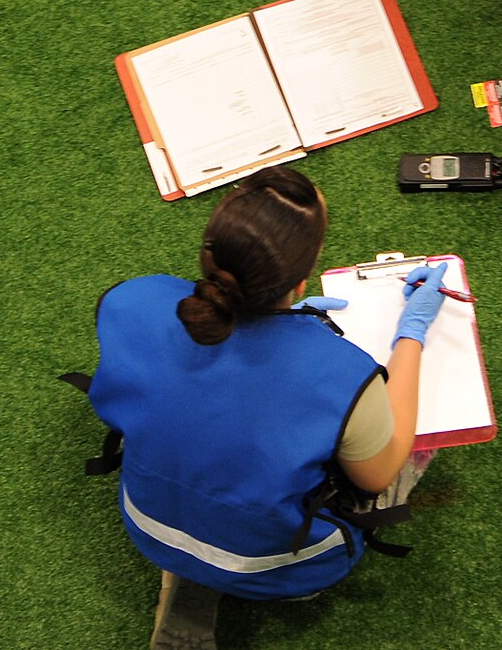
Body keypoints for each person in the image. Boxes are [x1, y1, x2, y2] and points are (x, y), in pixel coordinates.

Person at [70, 166, 451, 649]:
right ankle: (224, 570)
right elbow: (377, 475)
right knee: (412, 447)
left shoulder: (130, 299)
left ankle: (193, 576)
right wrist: (412, 334)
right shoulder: (343, 378)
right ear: (303, 276)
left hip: (150, 527)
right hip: (286, 570)